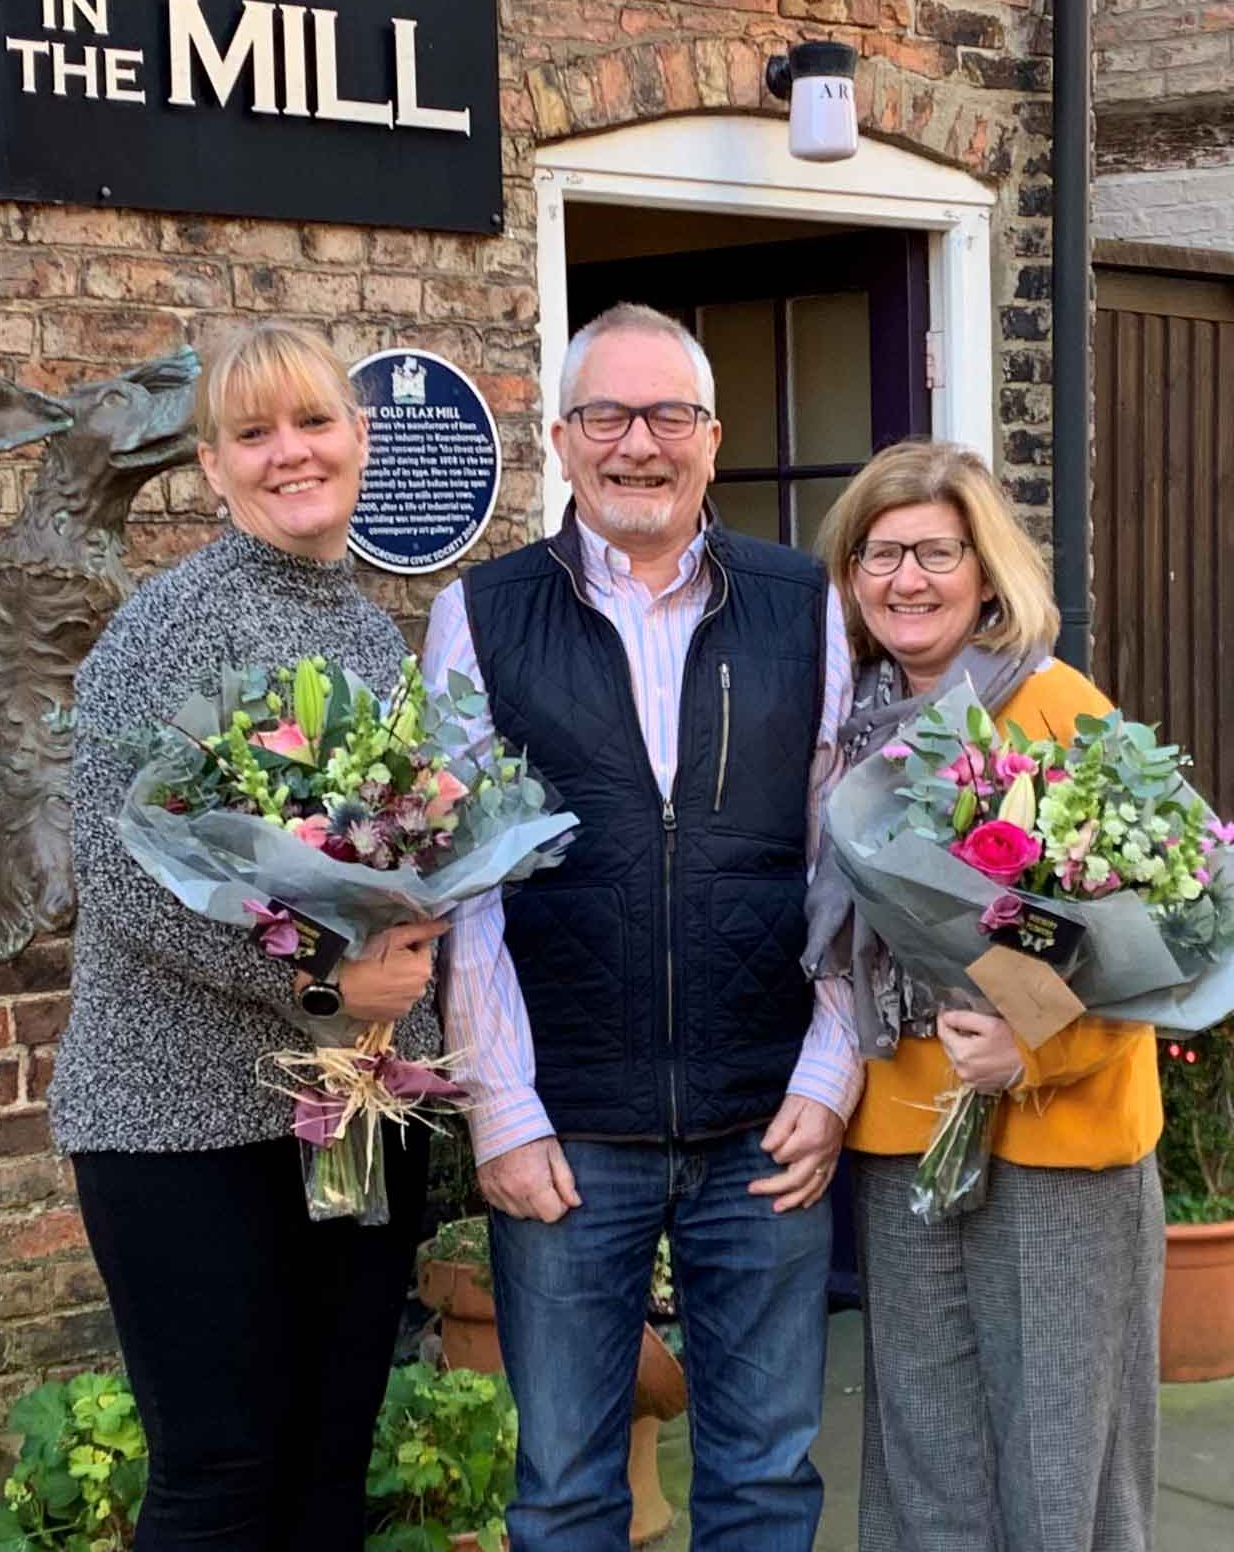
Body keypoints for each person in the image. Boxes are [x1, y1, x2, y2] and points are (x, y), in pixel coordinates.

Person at [424, 302, 861, 1551]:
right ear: (560, 441)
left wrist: (830, 1077)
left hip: (763, 1124)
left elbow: (847, 862)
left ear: (712, 440)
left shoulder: (803, 604)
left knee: (767, 1478)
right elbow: (461, 883)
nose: (638, 444)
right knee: (564, 1487)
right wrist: (498, 1109)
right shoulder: (486, 612)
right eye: (606, 416)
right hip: (570, 1130)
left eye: (669, 414)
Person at [58, 320, 448, 1552]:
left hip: (349, 1112)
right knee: (222, 1478)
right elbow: (123, 876)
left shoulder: (372, 631)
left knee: (329, 1465)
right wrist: (333, 987)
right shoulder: (170, 628)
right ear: (212, 470)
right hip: (182, 1125)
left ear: (361, 439)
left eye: (314, 422)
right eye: (252, 434)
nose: (291, 453)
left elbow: (397, 860)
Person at [810, 439, 1163, 1552]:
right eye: (879, 554)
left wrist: (1032, 1053)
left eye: (934, 552)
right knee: (923, 1463)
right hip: (902, 1135)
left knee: (1063, 1463)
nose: (906, 580)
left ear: (985, 567)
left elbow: (1168, 936)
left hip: (1060, 1146)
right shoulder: (845, 728)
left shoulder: (1056, 706)